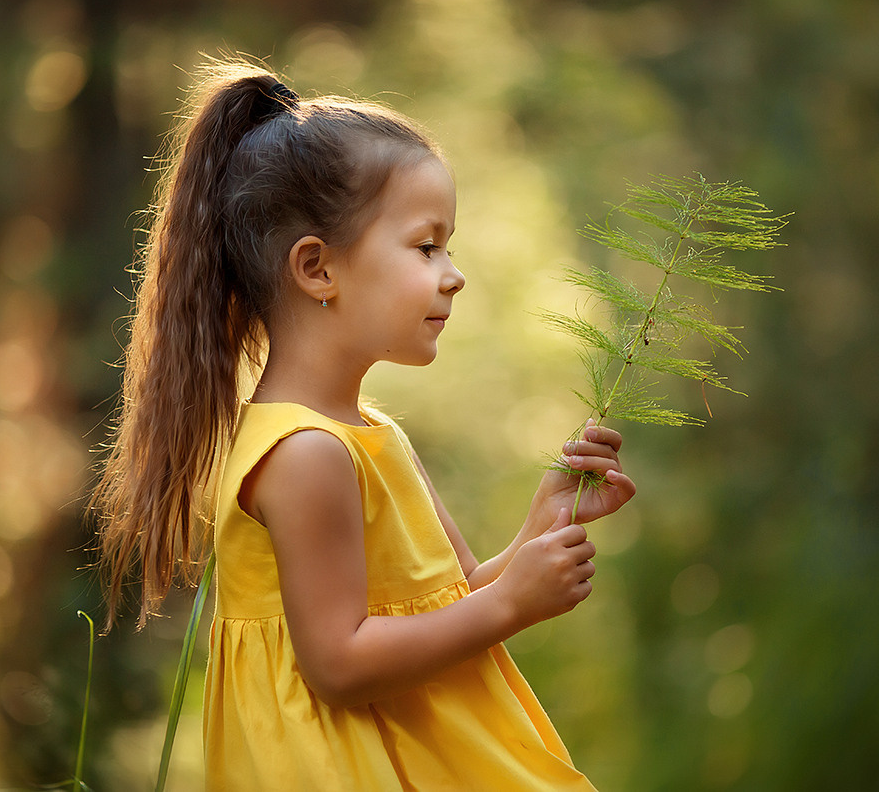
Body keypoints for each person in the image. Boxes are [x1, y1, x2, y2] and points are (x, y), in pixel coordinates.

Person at [91, 60, 636, 790]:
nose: (454, 273)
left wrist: (538, 531)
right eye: (425, 246)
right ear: (317, 269)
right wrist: (513, 604)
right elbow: (340, 663)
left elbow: (454, 596)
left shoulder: (369, 432)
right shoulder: (304, 453)